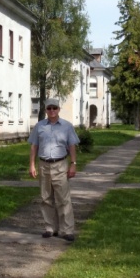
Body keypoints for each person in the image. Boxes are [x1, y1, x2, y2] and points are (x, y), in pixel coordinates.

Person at [29, 98, 80, 242]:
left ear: (59, 109)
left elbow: (71, 146)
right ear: (46, 110)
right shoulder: (39, 126)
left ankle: (67, 230)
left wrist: (73, 163)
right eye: (49, 108)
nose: (52, 111)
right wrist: (32, 165)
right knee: (46, 198)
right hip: (44, 164)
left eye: (54, 108)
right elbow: (34, 146)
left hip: (60, 164)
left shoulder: (67, 126)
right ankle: (50, 228)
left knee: (63, 198)